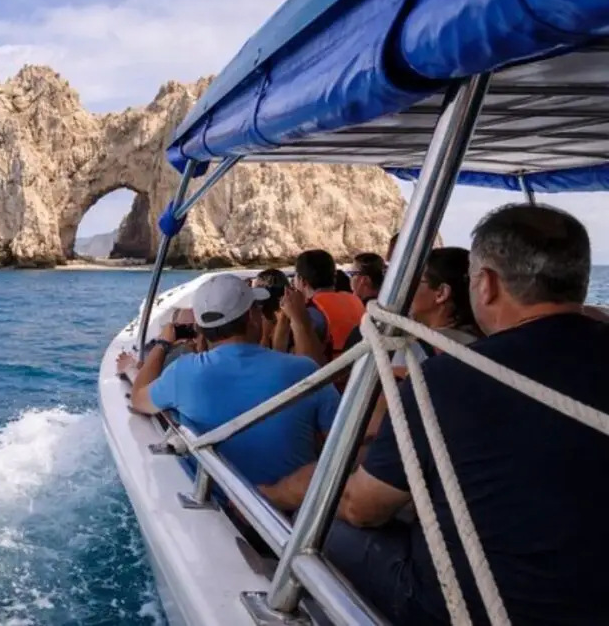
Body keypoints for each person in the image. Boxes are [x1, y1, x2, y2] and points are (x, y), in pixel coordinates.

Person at [326, 203, 609, 626]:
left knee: (328, 529)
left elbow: (363, 508)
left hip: (471, 610)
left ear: (487, 284)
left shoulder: (442, 380)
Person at [127, 274, 341, 491]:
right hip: (290, 514)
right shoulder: (304, 369)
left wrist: (163, 343)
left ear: (200, 328)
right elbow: (340, 441)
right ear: (251, 316)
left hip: (219, 506)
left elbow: (138, 399)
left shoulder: (183, 372)